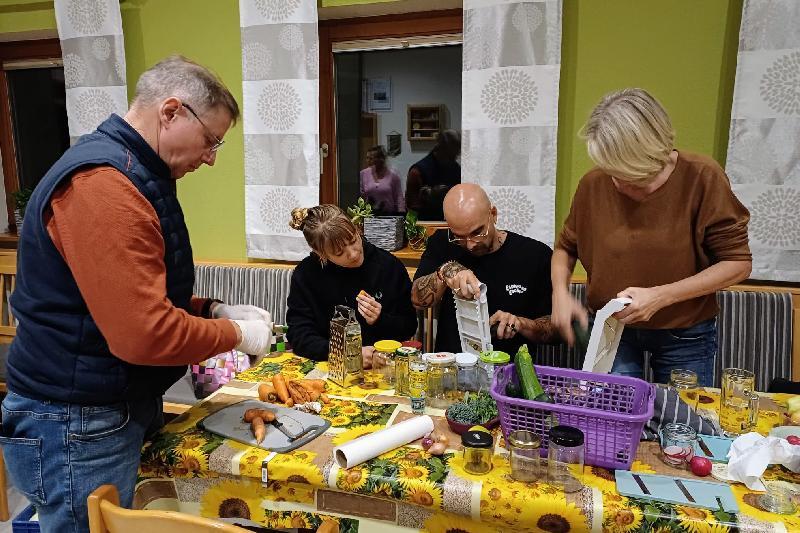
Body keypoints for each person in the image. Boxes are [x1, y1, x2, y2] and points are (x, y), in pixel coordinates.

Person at [0, 55, 275, 533]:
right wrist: (234, 333)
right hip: (76, 419)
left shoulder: (137, 175)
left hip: (105, 404)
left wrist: (209, 308)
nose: (211, 157)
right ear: (171, 112)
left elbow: (126, 293)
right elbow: (142, 333)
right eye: (211, 141)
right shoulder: (103, 187)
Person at [551, 88, 751, 387]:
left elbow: (737, 263)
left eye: (630, 176)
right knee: (613, 420)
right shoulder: (594, 184)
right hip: (612, 327)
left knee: (682, 423)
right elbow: (565, 247)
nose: (617, 185)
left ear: (652, 156)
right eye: (611, 173)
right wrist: (560, 294)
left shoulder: (702, 177)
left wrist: (660, 296)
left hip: (684, 333)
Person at [412, 183, 559, 355]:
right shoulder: (443, 244)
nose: (470, 244)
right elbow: (417, 299)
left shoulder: (534, 255)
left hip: (510, 370)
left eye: (477, 232)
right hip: (452, 369)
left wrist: (520, 323)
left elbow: (556, 332)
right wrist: (446, 271)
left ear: (493, 215)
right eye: (459, 236)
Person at [286, 205, 418, 365]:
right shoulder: (306, 274)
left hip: (383, 367)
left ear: (357, 229)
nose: (353, 254)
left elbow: (409, 326)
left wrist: (380, 319)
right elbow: (299, 335)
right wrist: (345, 352)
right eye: (339, 253)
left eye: (353, 240)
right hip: (331, 366)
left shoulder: (387, 266)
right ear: (320, 253)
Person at [405, 129, 461, 220]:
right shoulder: (417, 171)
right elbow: (412, 209)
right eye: (453, 151)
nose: (457, 155)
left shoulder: (456, 169)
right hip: (426, 226)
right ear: (442, 147)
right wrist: (430, 196)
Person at [359, 145, 404, 215]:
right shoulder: (363, 174)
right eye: (367, 158)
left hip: (389, 215)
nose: (368, 161)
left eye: (371, 158)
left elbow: (399, 197)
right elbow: (361, 195)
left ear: (381, 159)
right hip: (369, 215)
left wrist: (402, 215)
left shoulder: (393, 175)